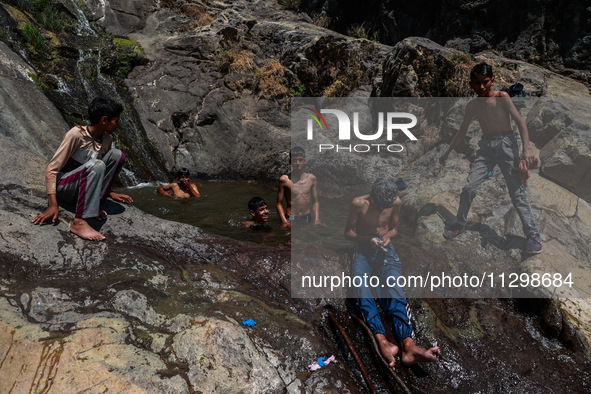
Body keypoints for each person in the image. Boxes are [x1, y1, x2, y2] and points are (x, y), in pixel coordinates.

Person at [439, 62, 542, 254]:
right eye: (476, 83)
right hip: (486, 147)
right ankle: (460, 222)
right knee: (469, 186)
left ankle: (533, 235)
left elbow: (521, 123)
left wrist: (526, 150)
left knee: (517, 192)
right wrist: (447, 152)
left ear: (492, 81)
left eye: (485, 82)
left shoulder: (502, 97)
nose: (481, 87)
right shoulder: (472, 106)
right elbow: (462, 131)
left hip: (506, 143)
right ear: (471, 84)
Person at [345, 178, 440, 370]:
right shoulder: (358, 203)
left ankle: (408, 345)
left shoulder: (396, 202)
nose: (381, 210)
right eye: (379, 206)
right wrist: (368, 239)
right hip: (363, 249)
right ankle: (382, 340)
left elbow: (394, 229)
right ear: (371, 193)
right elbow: (348, 233)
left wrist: (387, 237)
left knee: (394, 287)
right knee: (362, 288)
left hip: (386, 250)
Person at [32, 97, 133, 241]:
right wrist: (52, 205)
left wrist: (110, 192)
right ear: (104, 120)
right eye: (116, 121)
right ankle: (79, 222)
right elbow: (52, 169)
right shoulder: (77, 135)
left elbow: (104, 170)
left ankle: (95, 203)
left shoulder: (107, 140)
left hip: (85, 187)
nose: (118, 125)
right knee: (96, 165)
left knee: (118, 155)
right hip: (66, 187)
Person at [276, 146, 323, 228]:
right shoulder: (285, 180)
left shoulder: (311, 178)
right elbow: (278, 204)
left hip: (306, 216)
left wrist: (317, 219)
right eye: (295, 160)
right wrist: (284, 221)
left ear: (304, 161)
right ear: (290, 162)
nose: (298, 163)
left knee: (308, 239)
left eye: (300, 160)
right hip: (291, 217)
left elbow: (315, 201)